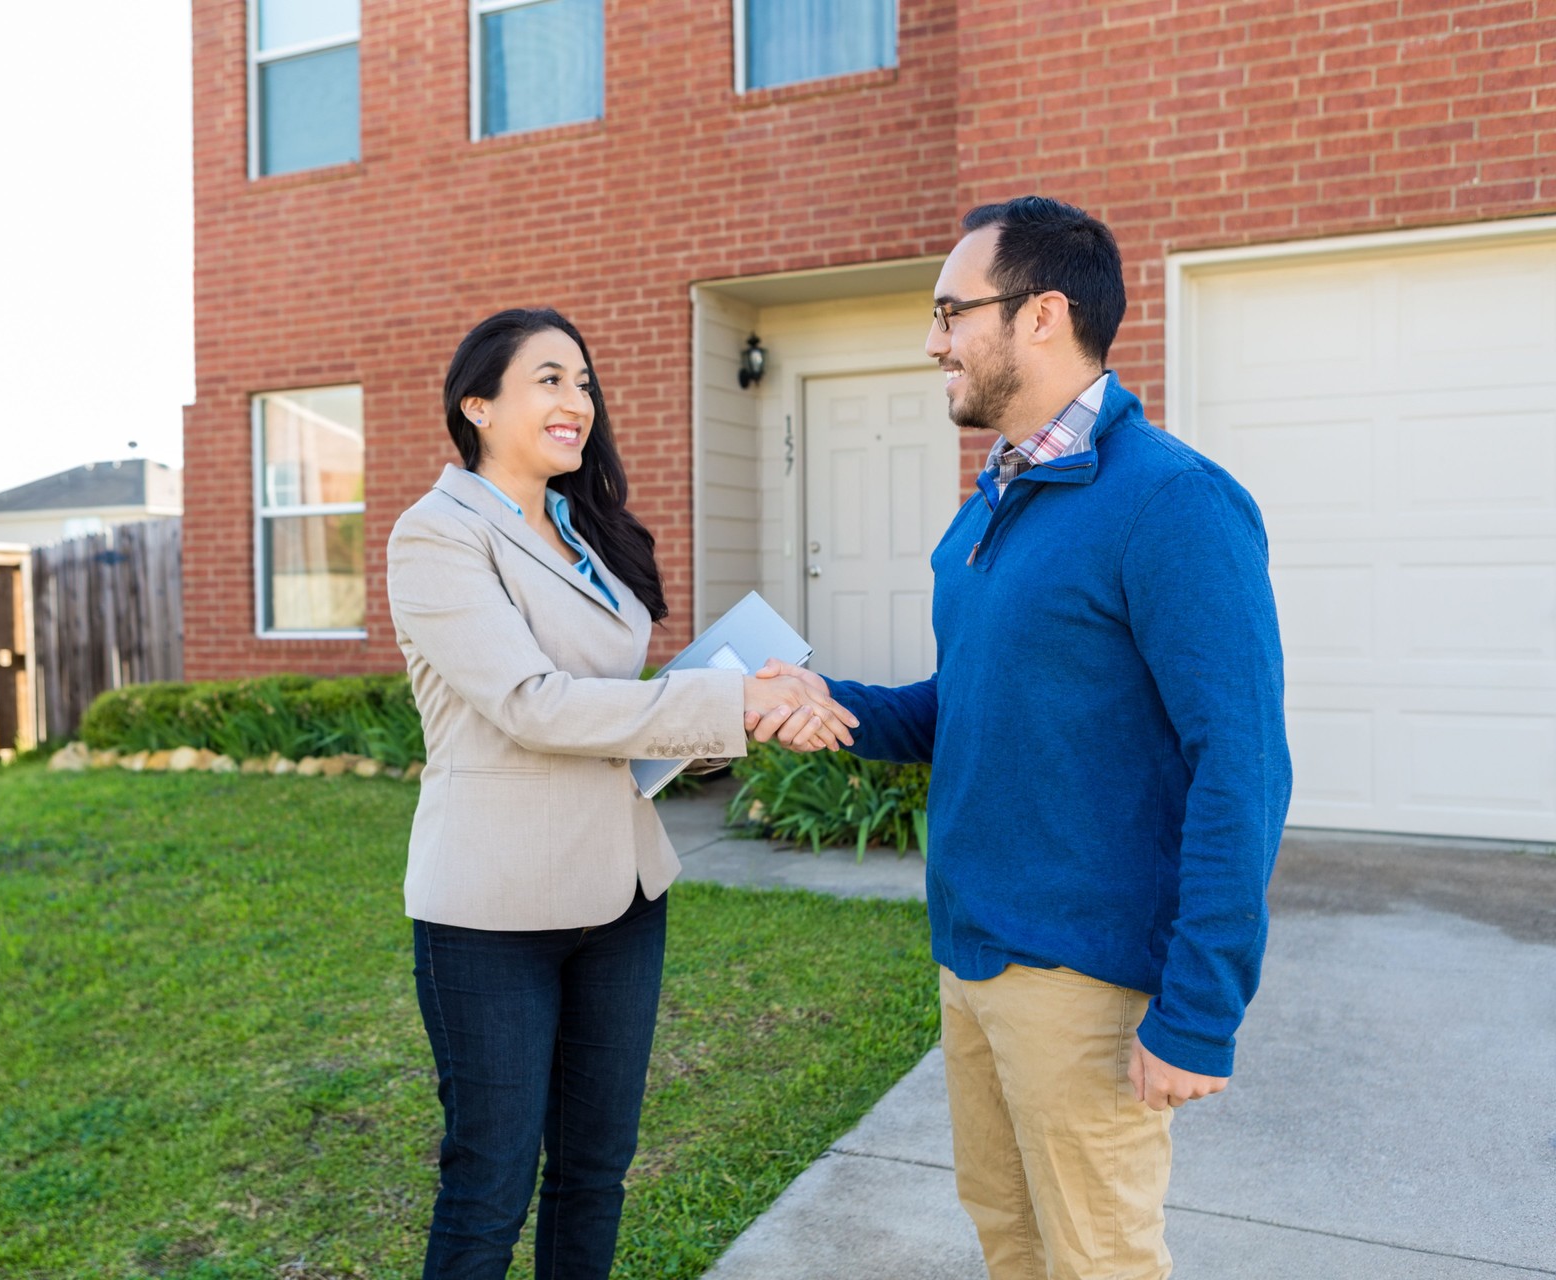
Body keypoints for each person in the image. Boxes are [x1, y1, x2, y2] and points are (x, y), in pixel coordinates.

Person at [750, 198, 1292, 1279]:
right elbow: (970, 704)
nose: (934, 338)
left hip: (1084, 980)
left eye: (953, 310)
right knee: (1011, 1242)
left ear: (1042, 314)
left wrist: (1200, 1008)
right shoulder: (995, 497)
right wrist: (827, 697)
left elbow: (1243, 762)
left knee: (1099, 1260)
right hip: (972, 957)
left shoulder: (1172, 502)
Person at [386, 307, 856, 1279]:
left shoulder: (582, 531)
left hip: (623, 892)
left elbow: (618, 707)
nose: (577, 401)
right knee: (490, 1184)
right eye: (549, 379)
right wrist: (729, 698)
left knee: (594, 1172)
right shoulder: (435, 534)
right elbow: (534, 703)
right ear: (477, 404)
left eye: (585, 383)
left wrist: (746, 698)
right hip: (493, 910)